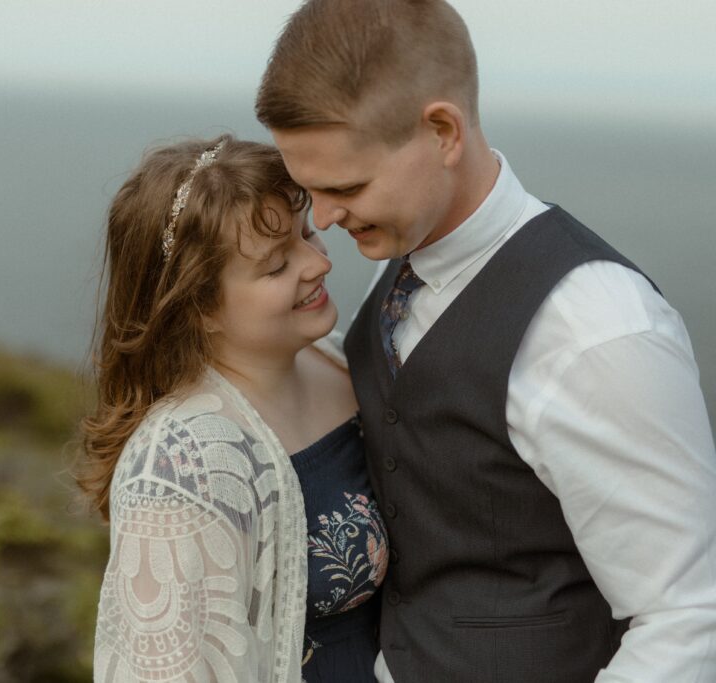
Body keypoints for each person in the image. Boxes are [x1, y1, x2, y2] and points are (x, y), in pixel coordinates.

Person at [255, 1, 716, 682]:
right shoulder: (399, 261)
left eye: (346, 186)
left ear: (441, 130)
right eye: (309, 190)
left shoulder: (596, 327)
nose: (323, 218)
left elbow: (688, 617)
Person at [78, 135, 389, 682]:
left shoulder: (339, 357)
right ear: (197, 309)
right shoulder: (181, 467)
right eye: (275, 266)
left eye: (308, 233)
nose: (317, 264)